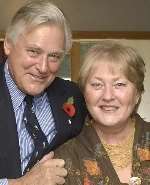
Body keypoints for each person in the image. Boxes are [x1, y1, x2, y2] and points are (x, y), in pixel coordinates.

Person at [0, 0, 87, 185]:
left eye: (54, 56)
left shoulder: (73, 95)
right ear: (8, 44)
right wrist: (20, 184)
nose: (43, 67)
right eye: (33, 51)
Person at [55, 40, 150, 185]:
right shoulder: (64, 157)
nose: (108, 96)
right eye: (97, 85)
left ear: (137, 93)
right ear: (84, 93)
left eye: (119, 84)